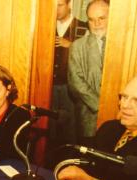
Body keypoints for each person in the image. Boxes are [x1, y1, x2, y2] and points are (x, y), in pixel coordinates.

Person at [67, 0, 109, 144]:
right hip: (89, 117)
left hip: (120, 115)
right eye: (91, 20)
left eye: (101, 18)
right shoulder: (78, 47)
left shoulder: (123, 45)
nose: (97, 24)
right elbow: (75, 83)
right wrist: (100, 106)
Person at [49, 0, 87, 151]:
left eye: (60, 5)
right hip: (48, 85)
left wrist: (71, 45)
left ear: (69, 4)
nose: (56, 10)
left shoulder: (84, 27)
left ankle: (70, 157)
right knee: (49, 126)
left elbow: (90, 57)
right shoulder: (46, 25)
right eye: (54, 6)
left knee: (70, 128)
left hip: (71, 87)